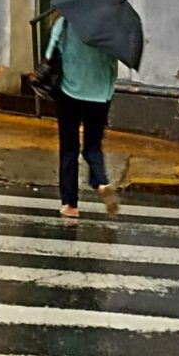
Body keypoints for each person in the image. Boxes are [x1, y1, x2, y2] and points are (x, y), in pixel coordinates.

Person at [45, 14, 120, 218]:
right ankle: (102, 182)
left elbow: (50, 54)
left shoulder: (65, 23)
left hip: (70, 93)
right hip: (99, 95)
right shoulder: (109, 29)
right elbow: (113, 65)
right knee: (93, 147)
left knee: (69, 148)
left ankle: (70, 205)